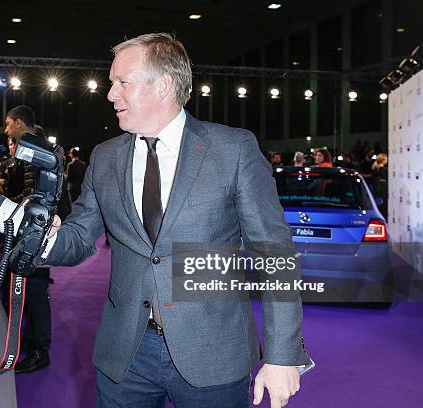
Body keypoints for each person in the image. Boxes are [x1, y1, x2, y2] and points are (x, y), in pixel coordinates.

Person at [43, 33, 311, 407]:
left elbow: (274, 252)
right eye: (111, 84)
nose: (110, 94)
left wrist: (283, 354)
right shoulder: (105, 157)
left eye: (122, 83)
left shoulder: (233, 149)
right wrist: (43, 236)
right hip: (125, 356)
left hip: (214, 354)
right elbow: (78, 238)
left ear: (164, 84)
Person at [1, 105, 52, 374]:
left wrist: (7, 204)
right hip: (30, 230)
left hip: (34, 232)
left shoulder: (34, 149)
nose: (6, 129)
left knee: (35, 293)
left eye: (9, 124)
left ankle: (38, 350)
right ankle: (29, 346)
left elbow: (35, 195)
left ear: (19, 123)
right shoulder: (33, 146)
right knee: (27, 292)